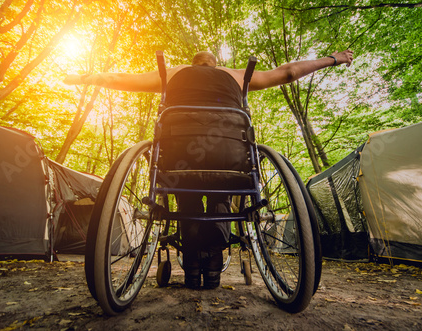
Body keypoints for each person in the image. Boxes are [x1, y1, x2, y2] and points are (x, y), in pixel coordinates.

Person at [64, 49, 354, 289]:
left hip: (180, 156)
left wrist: (83, 78)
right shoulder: (236, 75)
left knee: (186, 197)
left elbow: (120, 78)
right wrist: (333, 59)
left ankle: (191, 269)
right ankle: (213, 268)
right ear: (216, 64)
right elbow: (288, 72)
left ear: (192, 63)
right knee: (221, 198)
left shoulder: (173, 73)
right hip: (227, 156)